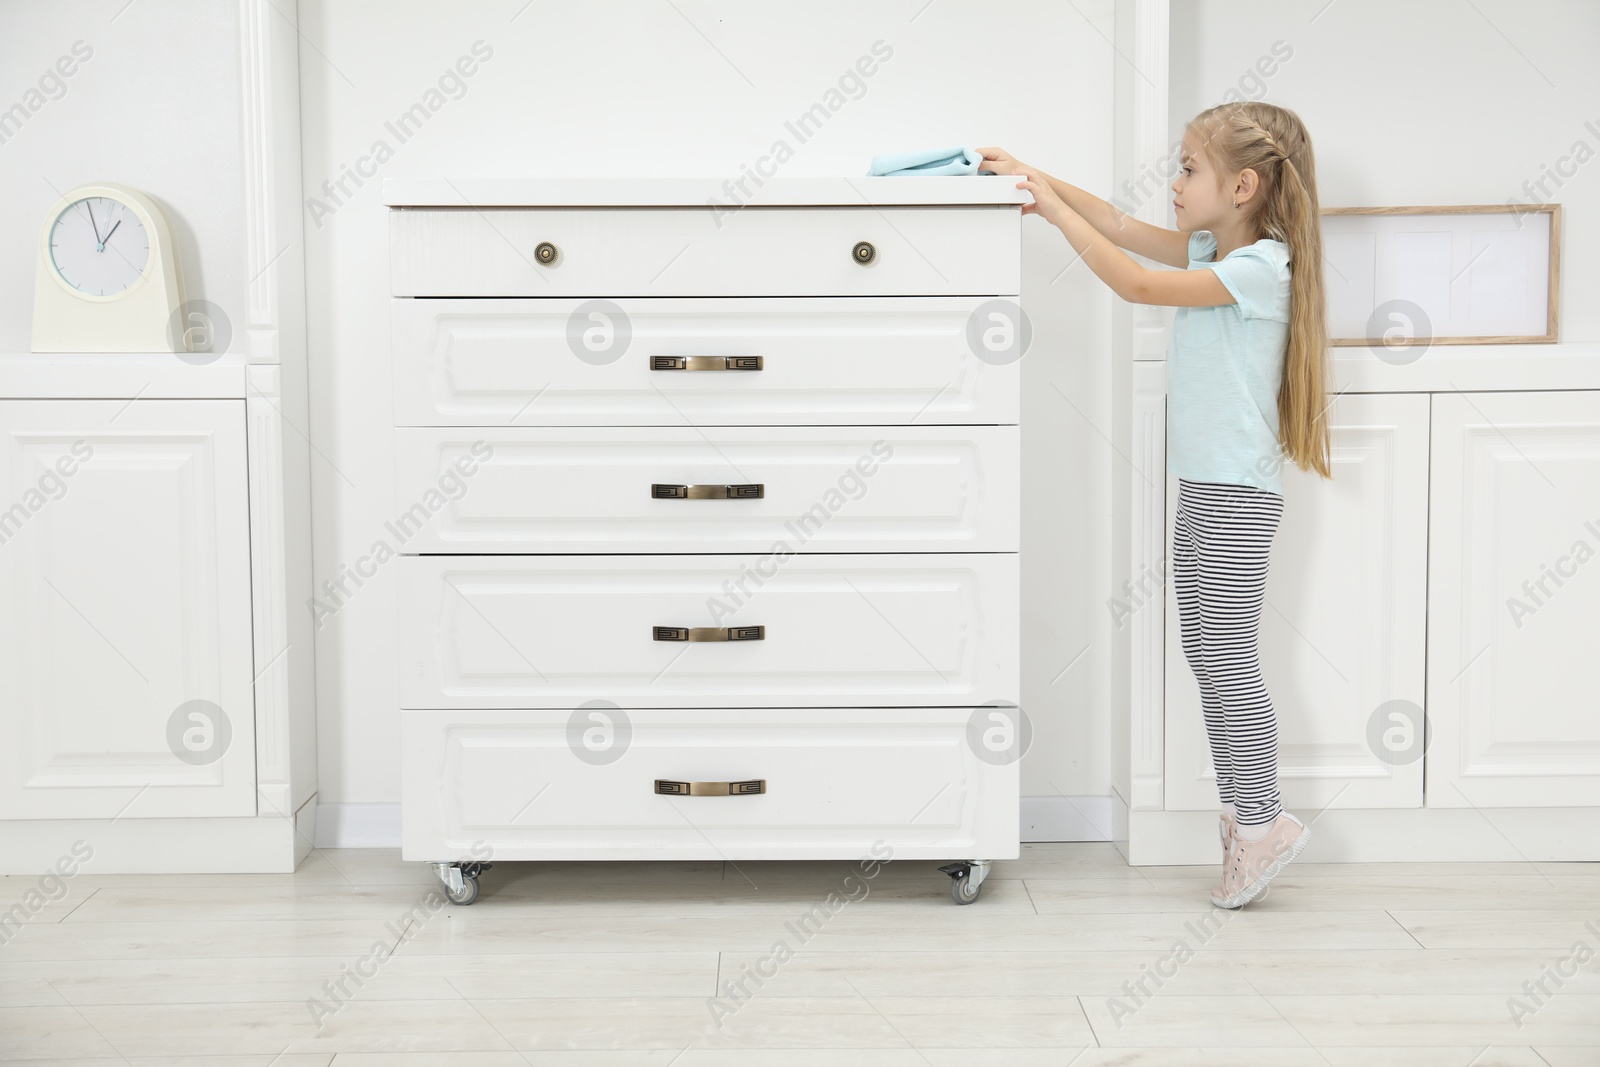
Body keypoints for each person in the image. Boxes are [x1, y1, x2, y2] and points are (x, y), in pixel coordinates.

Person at [981, 100, 1332, 908]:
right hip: (1206, 486)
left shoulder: (1260, 269)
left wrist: (1051, 214)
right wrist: (1033, 180)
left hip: (1236, 495)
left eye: (1187, 168)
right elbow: (1120, 224)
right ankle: (1251, 822)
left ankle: (1264, 819)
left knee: (1229, 661)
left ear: (1241, 185)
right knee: (1209, 656)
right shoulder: (1215, 246)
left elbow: (1137, 279)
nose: (1174, 184)